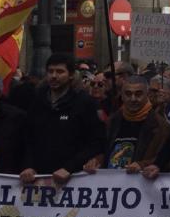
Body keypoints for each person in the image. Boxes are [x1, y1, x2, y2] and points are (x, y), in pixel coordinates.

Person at [20, 53, 106, 186]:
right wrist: (28, 165)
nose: (54, 76)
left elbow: (95, 142)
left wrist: (70, 168)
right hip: (38, 179)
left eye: (60, 71)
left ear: (71, 75)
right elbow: (28, 138)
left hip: (72, 181)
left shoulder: (84, 103)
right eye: (50, 71)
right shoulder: (37, 101)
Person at [86, 75, 170, 174]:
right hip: (111, 185)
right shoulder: (111, 123)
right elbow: (102, 149)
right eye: (128, 94)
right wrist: (96, 161)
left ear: (147, 95)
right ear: (122, 96)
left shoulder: (161, 126)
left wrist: (143, 165)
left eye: (138, 94)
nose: (133, 99)